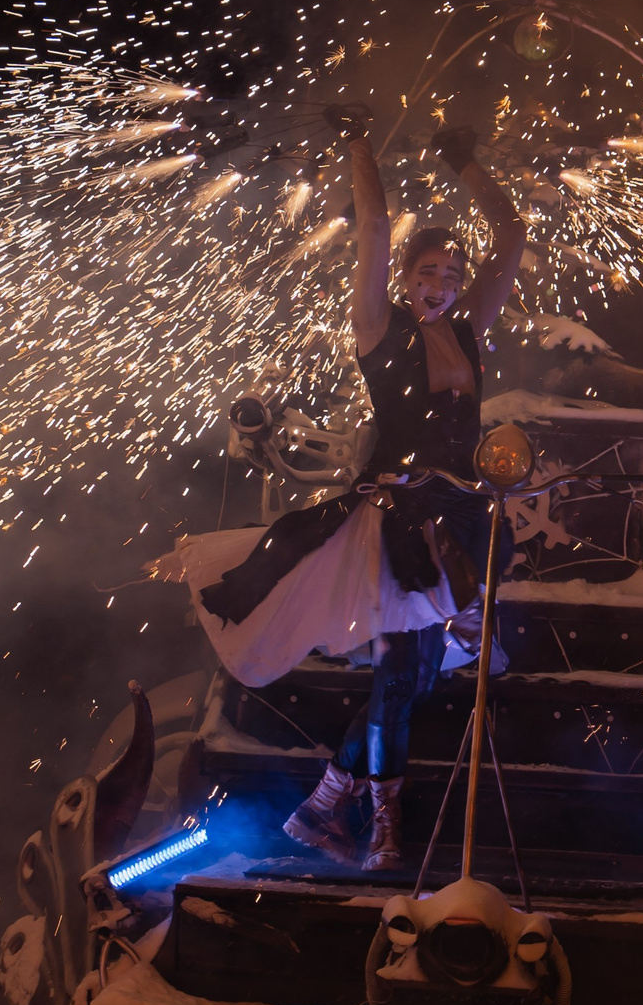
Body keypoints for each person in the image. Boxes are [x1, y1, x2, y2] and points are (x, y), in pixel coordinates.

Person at [173, 107, 524, 871]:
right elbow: (374, 228)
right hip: (398, 519)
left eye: (452, 276)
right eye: (427, 273)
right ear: (404, 279)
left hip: (456, 518)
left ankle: (325, 803)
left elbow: (513, 234)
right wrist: (361, 142)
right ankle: (383, 823)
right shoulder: (379, 326)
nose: (442, 285)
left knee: (416, 678)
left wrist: (463, 159)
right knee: (401, 677)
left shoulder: (466, 332)